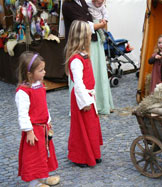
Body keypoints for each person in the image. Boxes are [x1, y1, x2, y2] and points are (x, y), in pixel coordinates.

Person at [15, 51, 60, 187]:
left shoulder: (39, 85)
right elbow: (23, 114)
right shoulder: (23, 92)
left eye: (43, 69)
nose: (44, 72)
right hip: (34, 130)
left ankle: (44, 176)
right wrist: (29, 131)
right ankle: (34, 182)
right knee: (34, 156)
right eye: (40, 70)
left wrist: (48, 120)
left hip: (43, 128)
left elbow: (43, 106)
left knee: (44, 154)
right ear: (29, 74)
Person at [62, 0, 114, 115]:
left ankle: (100, 103)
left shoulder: (82, 1)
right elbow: (83, 24)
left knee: (96, 72)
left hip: (92, 40)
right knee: (80, 75)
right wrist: (100, 25)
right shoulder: (67, 5)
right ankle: (82, 105)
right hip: (78, 43)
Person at [65, 20, 103, 167]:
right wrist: (85, 102)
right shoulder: (76, 60)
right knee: (81, 129)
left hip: (88, 96)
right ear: (83, 37)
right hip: (82, 98)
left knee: (91, 126)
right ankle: (80, 156)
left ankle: (93, 153)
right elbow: (79, 84)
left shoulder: (84, 55)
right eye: (88, 35)